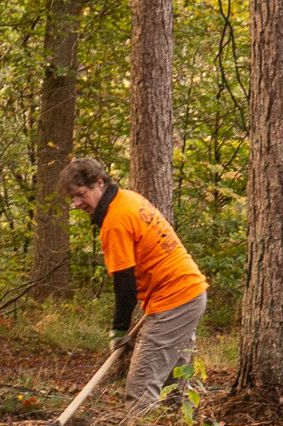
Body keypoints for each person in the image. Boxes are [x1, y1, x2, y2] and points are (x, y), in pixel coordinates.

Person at [61, 158, 209, 410]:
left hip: (175, 299)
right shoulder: (128, 198)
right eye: (73, 198)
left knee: (141, 386)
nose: (77, 203)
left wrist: (118, 330)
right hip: (190, 292)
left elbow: (125, 284)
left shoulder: (116, 221)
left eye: (81, 194)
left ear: (99, 183)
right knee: (174, 381)